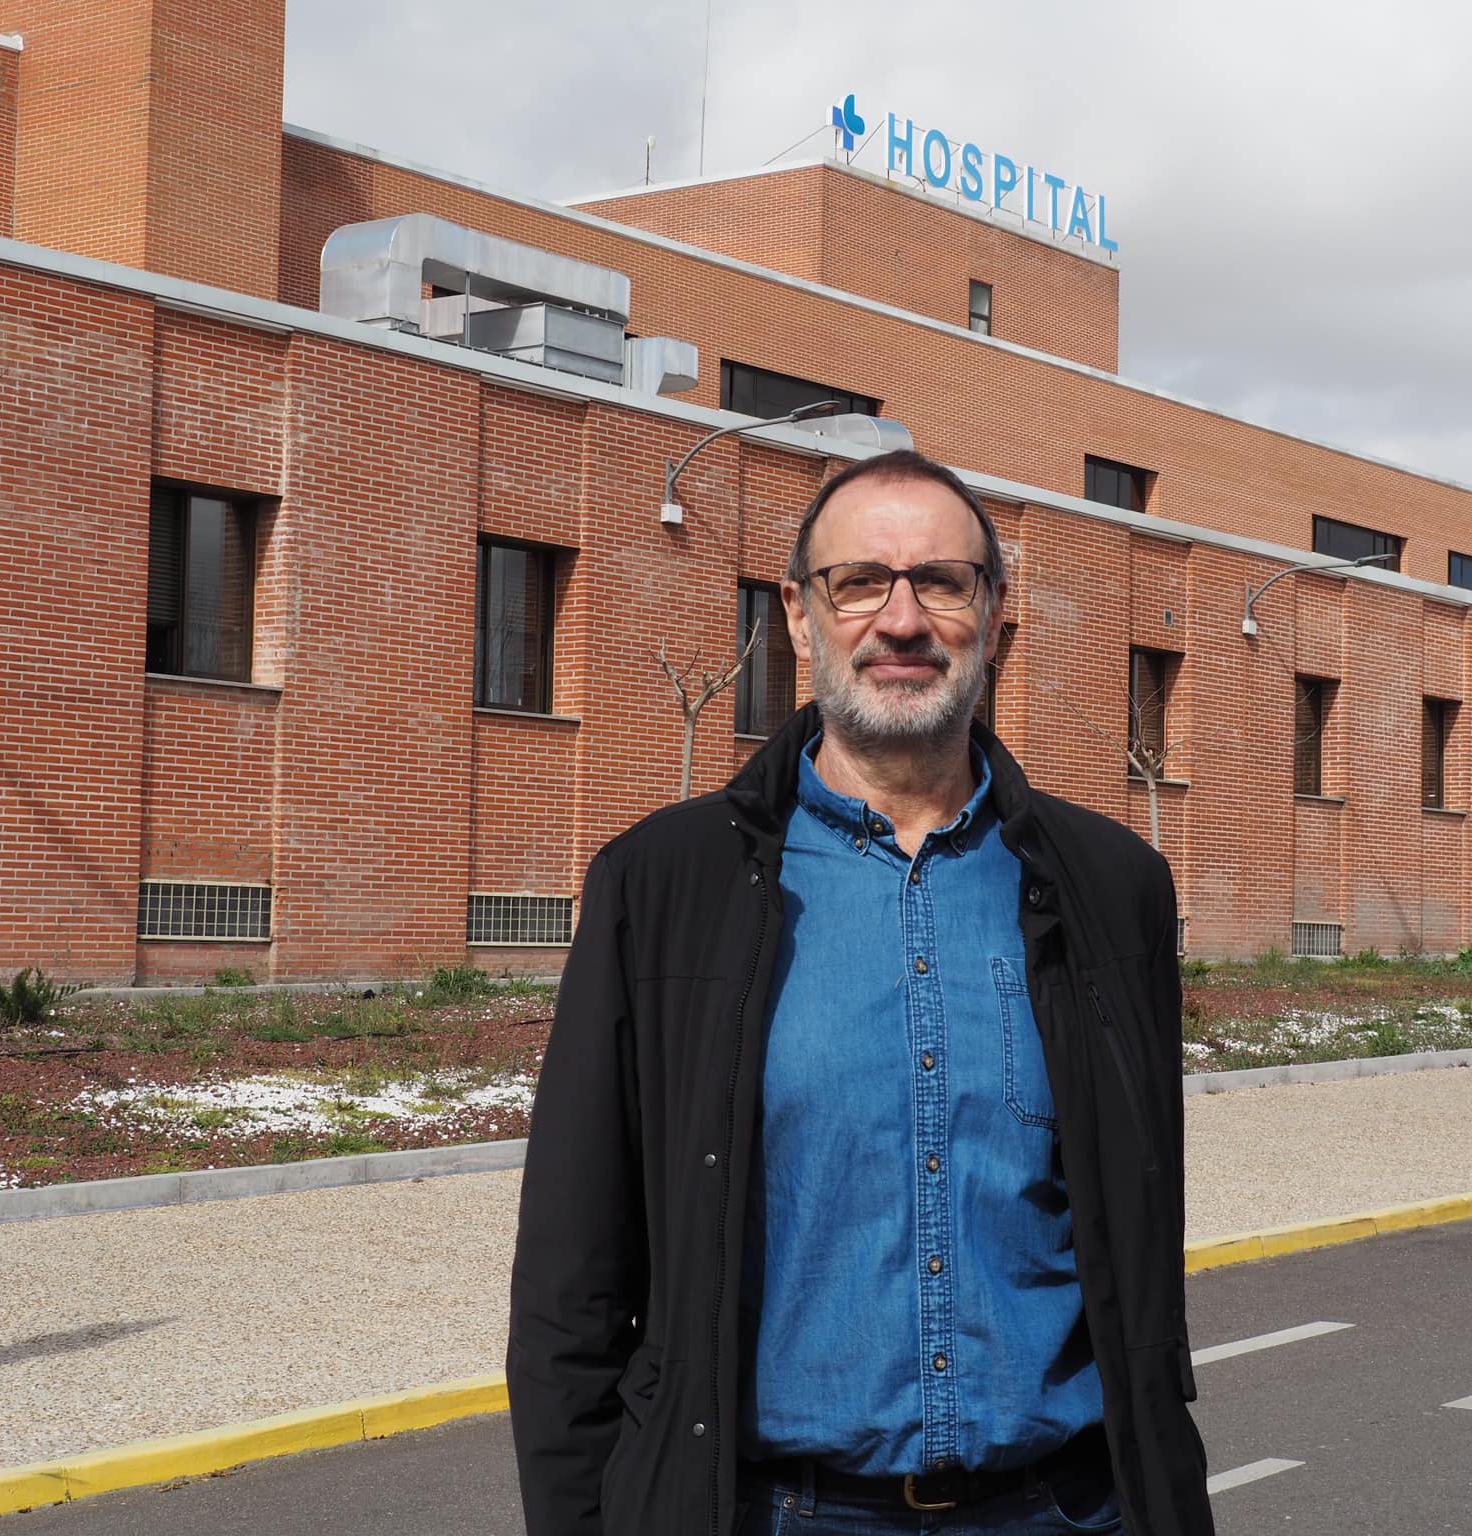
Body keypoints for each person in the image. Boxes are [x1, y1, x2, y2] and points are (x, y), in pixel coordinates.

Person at [508, 449, 1215, 1535]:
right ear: (796, 614)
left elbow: (1138, 1241)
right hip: (781, 1514)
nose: (901, 620)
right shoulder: (660, 886)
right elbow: (574, 1283)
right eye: (858, 582)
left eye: (941, 580)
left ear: (994, 614)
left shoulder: (1108, 889)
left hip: (1062, 1510)